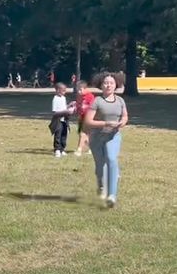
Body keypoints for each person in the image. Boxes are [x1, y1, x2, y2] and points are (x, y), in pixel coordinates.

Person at [84, 74, 128, 208]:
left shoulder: (120, 101)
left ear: (116, 85)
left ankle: (112, 195)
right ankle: (101, 184)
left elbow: (125, 116)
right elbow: (88, 121)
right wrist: (105, 123)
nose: (108, 85)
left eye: (111, 83)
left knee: (112, 159)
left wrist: (122, 123)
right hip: (97, 137)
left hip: (113, 136)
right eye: (106, 83)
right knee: (100, 166)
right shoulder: (97, 101)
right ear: (101, 85)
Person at [49, 83, 75, 158]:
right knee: (58, 135)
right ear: (57, 90)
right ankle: (57, 149)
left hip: (64, 120)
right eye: (63, 90)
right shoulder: (55, 99)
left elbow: (64, 107)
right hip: (58, 120)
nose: (64, 92)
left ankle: (62, 149)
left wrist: (69, 105)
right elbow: (55, 112)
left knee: (64, 134)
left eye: (65, 90)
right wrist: (66, 112)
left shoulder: (63, 98)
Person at [73, 79, 96, 157]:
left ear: (85, 89)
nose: (79, 92)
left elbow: (93, 107)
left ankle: (79, 150)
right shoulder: (79, 96)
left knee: (83, 133)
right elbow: (78, 106)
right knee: (85, 135)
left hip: (88, 117)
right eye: (77, 90)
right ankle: (92, 148)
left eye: (80, 89)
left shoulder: (90, 96)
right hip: (82, 117)